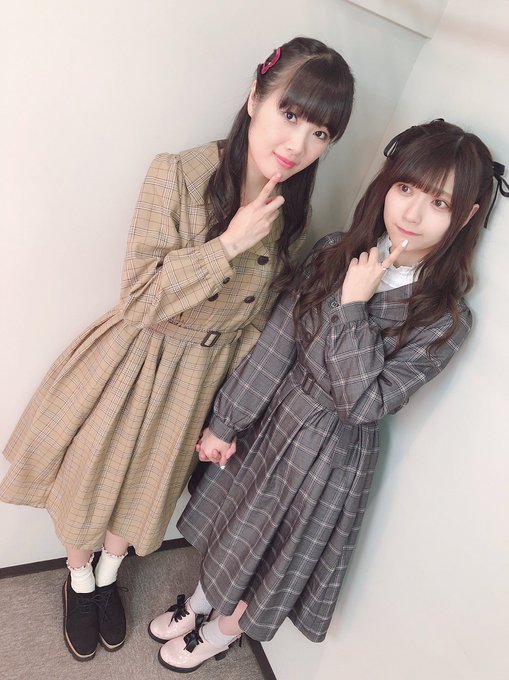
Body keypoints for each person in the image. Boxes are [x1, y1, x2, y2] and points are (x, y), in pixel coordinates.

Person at [0, 37, 354, 661]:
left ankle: (109, 574)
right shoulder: (178, 173)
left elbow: (256, 321)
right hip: (139, 358)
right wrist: (227, 245)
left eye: (320, 132)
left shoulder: (289, 209)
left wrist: (228, 409)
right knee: (92, 477)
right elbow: (139, 295)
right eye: (290, 114)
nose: (297, 143)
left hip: (202, 378)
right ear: (255, 97)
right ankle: (79, 582)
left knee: (151, 488)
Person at [148, 119, 506, 673]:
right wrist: (227, 420)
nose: (411, 214)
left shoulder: (445, 319)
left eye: (439, 202)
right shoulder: (337, 250)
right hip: (278, 412)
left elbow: (364, 403)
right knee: (235, 521)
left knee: (272, 549)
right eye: (405, 188)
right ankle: (198, 603)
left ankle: (220, 633)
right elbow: (278, 342)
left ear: (466, 215)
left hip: (330, 451)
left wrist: (353, 308)